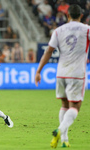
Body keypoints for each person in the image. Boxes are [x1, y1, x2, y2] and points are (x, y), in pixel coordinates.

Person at [35, 4, 90, 148]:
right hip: (77, 73)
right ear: (81, 16)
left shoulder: (59, 30)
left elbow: (48, 51)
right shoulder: (87, 29)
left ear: (67, 15)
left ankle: (65, 139)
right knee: (75, 107)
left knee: (64, 105)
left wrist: (38, 71)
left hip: (61, 73)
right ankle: (60, 130)